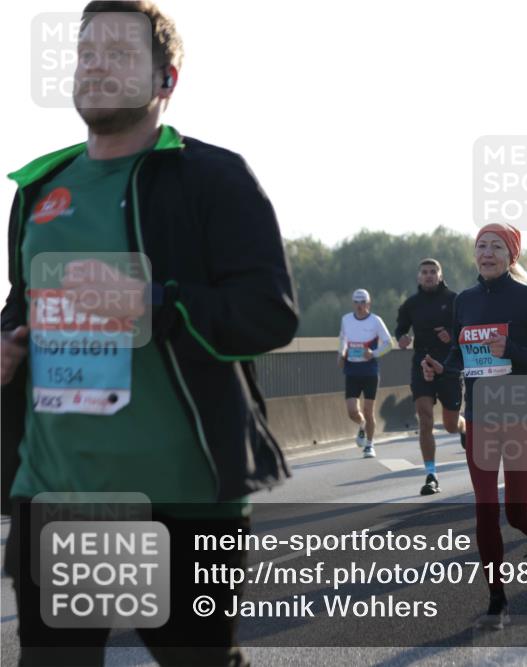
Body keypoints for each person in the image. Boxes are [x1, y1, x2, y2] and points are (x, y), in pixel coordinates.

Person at [1, 3, 298, 664]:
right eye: (86, 53)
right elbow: (23, 305)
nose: (96, 65)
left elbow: (268, 312)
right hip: (57, 496)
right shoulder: (38, 188)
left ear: (166, 80)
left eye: (119, 53)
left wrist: (154, 302)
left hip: (183, 502)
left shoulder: (213, 177)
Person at [421, 222, 527, 630]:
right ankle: (497, 599)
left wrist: (511, 350)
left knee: (516, 511)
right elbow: (463, 357)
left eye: (496, 246)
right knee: (484, 509)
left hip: (520, 411)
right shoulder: (464, 300)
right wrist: (440, 368)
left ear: (511, 256)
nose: (487, 253)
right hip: (481, 415)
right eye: (481, 245)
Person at [395, 258, 465, 495]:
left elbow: (466, 329)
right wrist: (402, 338)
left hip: (449, 365)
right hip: (422, 365)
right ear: (419, 277)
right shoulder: (411, 304)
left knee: (451, 425)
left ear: (440, 275)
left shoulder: (454, 300)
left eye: (433, 272)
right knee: (425, 420)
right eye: (424, 272)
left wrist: (452, 336)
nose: (428, 276)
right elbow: (400, 329)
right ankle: (431, 474)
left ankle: (463, 427)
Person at [340, 289, 392, 458]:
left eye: (363, 302)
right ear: (353, 303)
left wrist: (374, 353)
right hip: (352, 370)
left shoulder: (375, 321)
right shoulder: (346, 319)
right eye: (356, 302)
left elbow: (389, 343)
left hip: (369, 370)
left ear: (368, 304)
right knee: (351, 411)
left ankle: (369, 445)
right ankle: (362, 425)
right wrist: (341, 354)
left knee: (368, 410)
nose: (360, 306)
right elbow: (343, 339)